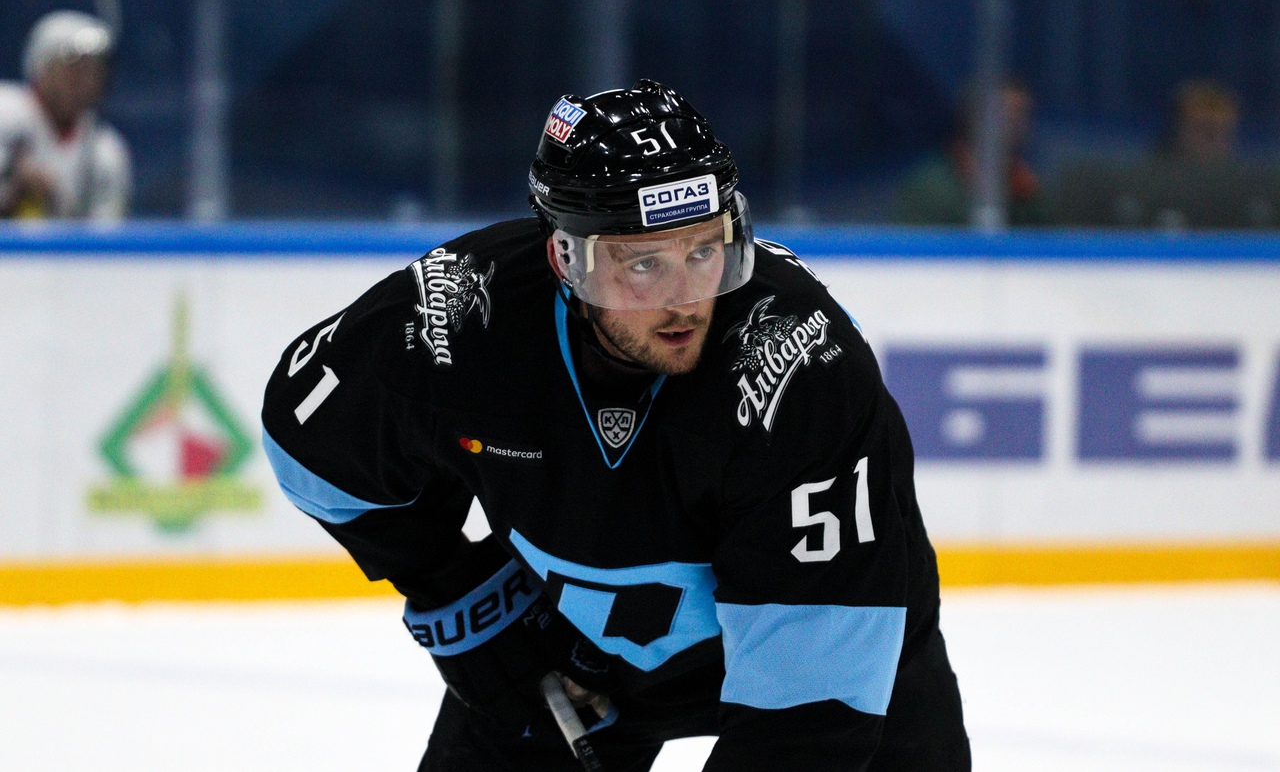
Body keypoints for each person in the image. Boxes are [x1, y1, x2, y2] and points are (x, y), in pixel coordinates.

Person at [262, 80, 970, 771]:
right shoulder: (461, 317)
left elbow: (810, 717)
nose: (685, 299)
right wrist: (450, 583)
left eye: (703, 251)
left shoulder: (798, 365)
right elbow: (308, 439)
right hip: (576, 664)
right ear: (564, 258)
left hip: (849, 669)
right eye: (644, 264)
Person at [0, 10, 131, 221]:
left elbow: (105, 229)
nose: (85, 81)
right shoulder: (5, 110)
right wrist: (12, 175)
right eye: (73, 69)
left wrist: (58, 201)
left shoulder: (105, 151)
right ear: (42, 67)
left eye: (94, 72)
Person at [894, 79, 1048, 227]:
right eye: (1002, 112)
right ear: (974, 116)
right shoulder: (931, 188)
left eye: (1020, 113)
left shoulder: (1029, 190)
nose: (1013, 121)